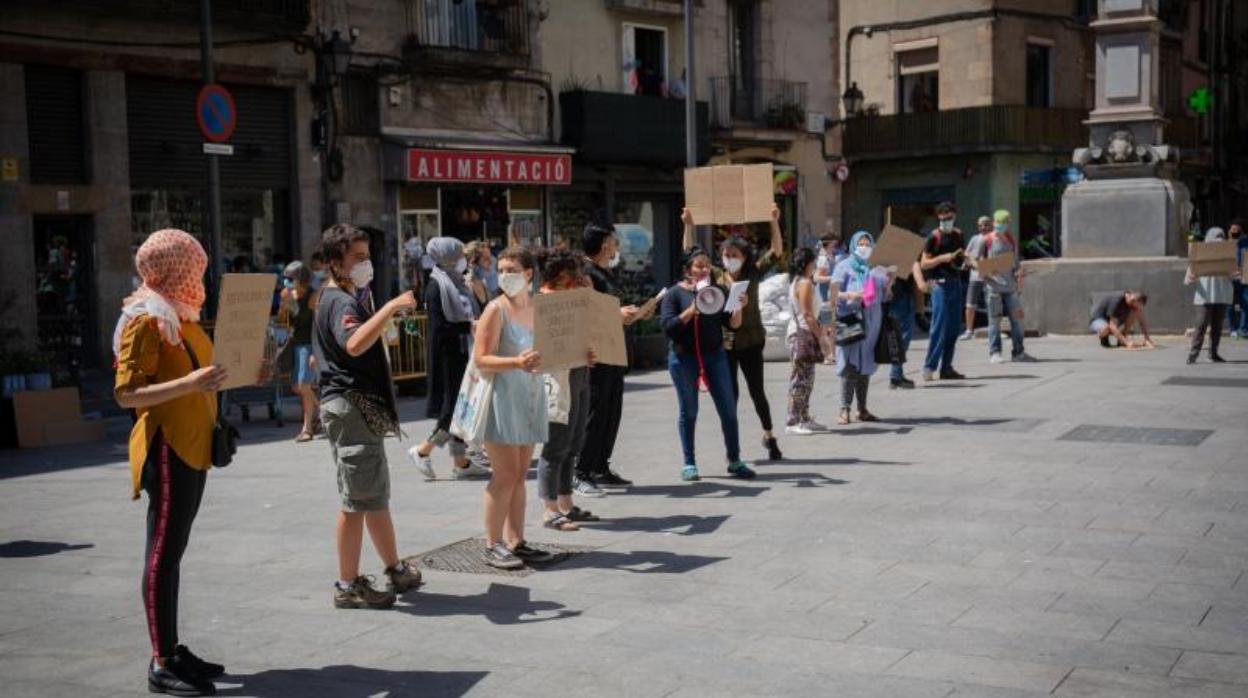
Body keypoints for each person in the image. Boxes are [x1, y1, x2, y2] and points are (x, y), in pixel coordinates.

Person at [113, 229, 257, 696]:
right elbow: (126, 394)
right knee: (162, 553)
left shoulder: (181, 316)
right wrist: (192, 383)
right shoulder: (145, 319)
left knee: (172, 553)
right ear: (175, 269)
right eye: (194, 267)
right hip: (167, 446)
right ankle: (161, 660)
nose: (201, 275)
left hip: (192, 445)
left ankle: (172, 649)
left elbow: (201, 378)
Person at [313, 224, 423, 611]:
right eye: (357, 257)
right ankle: (347, 584)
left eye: (367, 255)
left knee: (372, 495)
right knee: (356, 499)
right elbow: (355, 344)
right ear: (334, 264)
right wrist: (390, 308)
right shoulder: (341, 302)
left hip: (356, 406)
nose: (366, 264)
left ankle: (394, 568)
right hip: (350, 407)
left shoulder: (345, 296)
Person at [473, 247, 557, 569]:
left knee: (520, 474)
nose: (505, 275)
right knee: (505, 474)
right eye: (502, 269)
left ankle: (516, 540)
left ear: (529, 273)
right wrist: (516, 362)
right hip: (501, 399)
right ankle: (492, 544)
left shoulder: (538, 308)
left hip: (530, 397)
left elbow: (548, 350)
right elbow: (481, 358)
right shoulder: (495, 310)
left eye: (512, 269)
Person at [681, 204, 785, 460]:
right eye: (725, 253)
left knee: (757, 392)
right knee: (731, 395)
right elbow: (689, 253)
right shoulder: (715, 275)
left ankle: (769, 435)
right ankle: (733, 445)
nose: (728, 256)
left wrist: (773, 221)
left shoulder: (752, 272)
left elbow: (776, 252)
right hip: (725, 344)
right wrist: (688, 224)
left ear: (744, 255)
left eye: (733, 253)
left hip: (751, 341)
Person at [660, 247, 756, 483]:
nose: (703, 269)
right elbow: (668, 327)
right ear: (687, 270)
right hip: (684, 360)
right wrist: (692, 310)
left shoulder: (718, 291)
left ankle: (734, 460)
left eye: (706, 265)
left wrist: (739, 308)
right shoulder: (674, 294)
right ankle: (689, 462)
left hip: (715, 356)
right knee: (689, 411)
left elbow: (732, 324)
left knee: (728, 410)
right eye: (698, 265)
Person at [407, 238, 491, 480]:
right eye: (458, 253)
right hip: (447, 356)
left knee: (461, 409)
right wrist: (469, 326)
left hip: (461, 352)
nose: (463, 257)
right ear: (447, 256)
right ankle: (423, 450)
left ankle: (461, 462)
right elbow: (440, 327)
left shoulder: (455, 282)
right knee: (454, 411)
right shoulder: (436, 285)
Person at [577, 223, 649, 492]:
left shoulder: (605, 271)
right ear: (603, 244)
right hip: (598, 352)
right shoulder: (585, 273)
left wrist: (633, 313)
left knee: (611, 411)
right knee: (594, 412)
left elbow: (610, 309)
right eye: (614, 241)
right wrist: (617, 315)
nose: (617, 246)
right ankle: (581, 469)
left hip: (615, 348)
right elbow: (585, 311)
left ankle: (600, 465)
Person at [536, 250, 600, 531]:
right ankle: (550, 509)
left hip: (578, 371)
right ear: (561, 276)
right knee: (556, 443)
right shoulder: (545, 302)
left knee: (573, 441)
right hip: (558, 378)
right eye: (574, 274)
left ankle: (566, 502)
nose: (579, 279)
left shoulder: (570, 298)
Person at [832, 231, 894, 424]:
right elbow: (833, 295)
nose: (864, 247)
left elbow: (886, 298)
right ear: (852, 245)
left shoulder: (876, 269)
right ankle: (844, 409)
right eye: (861, 243)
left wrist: (889, 284)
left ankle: (862, 409)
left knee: (865, 365)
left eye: (868, 243)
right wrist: (850, 296)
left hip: (871, 321)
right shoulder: (843, 266)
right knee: (849, 365)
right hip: (849, 318)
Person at [977, 210, 1034, 363]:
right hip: (993, 288)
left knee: (1017, 320)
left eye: (1004, 223)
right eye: (999, 223)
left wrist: (1019, 272)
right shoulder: (986, 241)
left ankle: (1019, 352)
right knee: (994, 320)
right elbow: (978, 264)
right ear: (994, 223)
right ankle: (995, 352)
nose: (1001, 226)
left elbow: (1015, 262)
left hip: (1010, 287)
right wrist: (989, 271)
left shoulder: (1010, 239)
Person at [920, 201, 967, 381]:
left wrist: (966, 262)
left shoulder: (959, 234)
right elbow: (924, 263)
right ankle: (929, 366)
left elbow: (959, 256)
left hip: (955, 282)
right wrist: (942, 258)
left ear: (954, 216)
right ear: (938, 217)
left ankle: (946, 367)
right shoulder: (933, 237)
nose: (947, 220)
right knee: (938, 327)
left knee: (954, 328)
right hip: (939, 285)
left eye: (950, 217)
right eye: (943, 217)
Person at [785, 247, 827, 435]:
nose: (816, 264)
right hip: (802, 334)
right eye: (814, 261)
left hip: (802, 333)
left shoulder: (799, 281)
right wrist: (822, 337)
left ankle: (804, 417)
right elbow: (807, 314)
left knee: (807, 379)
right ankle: (792, 421)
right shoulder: (804, 284)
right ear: (808, 263)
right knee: (800, 380)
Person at [280, 261, 321, 442]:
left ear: (301, 279)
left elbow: (320, 325)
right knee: (297, 387)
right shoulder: (288, 294)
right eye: (285, 278)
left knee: (304, 386)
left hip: (310, 344)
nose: (287, 282)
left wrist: (316, 351)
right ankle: (323, 411)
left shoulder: (313, 296)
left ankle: (307, 428)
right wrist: (284, 304)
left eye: (291, 278)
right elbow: (283, 319)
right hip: (296, 344)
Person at [1186, 226, 1237, 364]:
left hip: (1221, 294)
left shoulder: (1227, 254)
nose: (1219, 241)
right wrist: (1192, 277)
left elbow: (1234, 276)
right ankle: (1193, 353)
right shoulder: (1200, 253)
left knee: (1217, 325)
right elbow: (1189, 277)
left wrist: (1235, 274)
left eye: (1221, 237)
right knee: (1201, 324)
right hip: (1204, 295)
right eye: (1216, 237)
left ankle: (1213, 353)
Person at [888, 261, 927, 389]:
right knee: (903, 338)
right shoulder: (907, 251)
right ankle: (895, 375)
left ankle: (897, 374)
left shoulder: (888, 251)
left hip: (892, 297)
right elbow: (915, 267)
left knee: (898, 337)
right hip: (902, 297)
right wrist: (923, 284)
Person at [959, 216, 991, 341]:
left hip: (991, 277)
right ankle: (968, 331)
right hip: (975, 276)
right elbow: (966, 254)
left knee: (993, 304)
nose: (983, 227)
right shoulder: (974, 239)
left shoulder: (995, 238)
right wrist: (970, 261)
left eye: (986, 224)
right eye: (980, 225)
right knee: (970, 304)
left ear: (991, 225)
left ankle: (994, 330)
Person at [1089, 290, 1154, 349]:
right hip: (1098, 320)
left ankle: (1122, 338)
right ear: (1133, 300)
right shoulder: (1117, 300)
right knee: (1107, 328)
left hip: (1113, 320)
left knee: (1134, 312)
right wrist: (1127, 343)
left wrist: (1147, 339)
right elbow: (1112, 326)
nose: (1136, 307)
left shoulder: (1132, 302)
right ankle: (1104, 337)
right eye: (1136, 305)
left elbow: (1142, 322)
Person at [465, 240, 500, 306]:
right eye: (484, 250)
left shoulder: (494, 260)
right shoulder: (474, 268)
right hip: (486, 295)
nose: (488, 251)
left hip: (498, 290)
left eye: (488, 248)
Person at [1229, 220, 1247, 338]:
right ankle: (1233, 329)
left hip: (1244, 278)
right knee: (1231, 305)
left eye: (1237, 230)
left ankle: (1243, 329)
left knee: (1245, 303)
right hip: (1231, 279)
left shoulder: (1245, 242)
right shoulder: (1227, 244)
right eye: (1233, 230)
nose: (1235, 232)